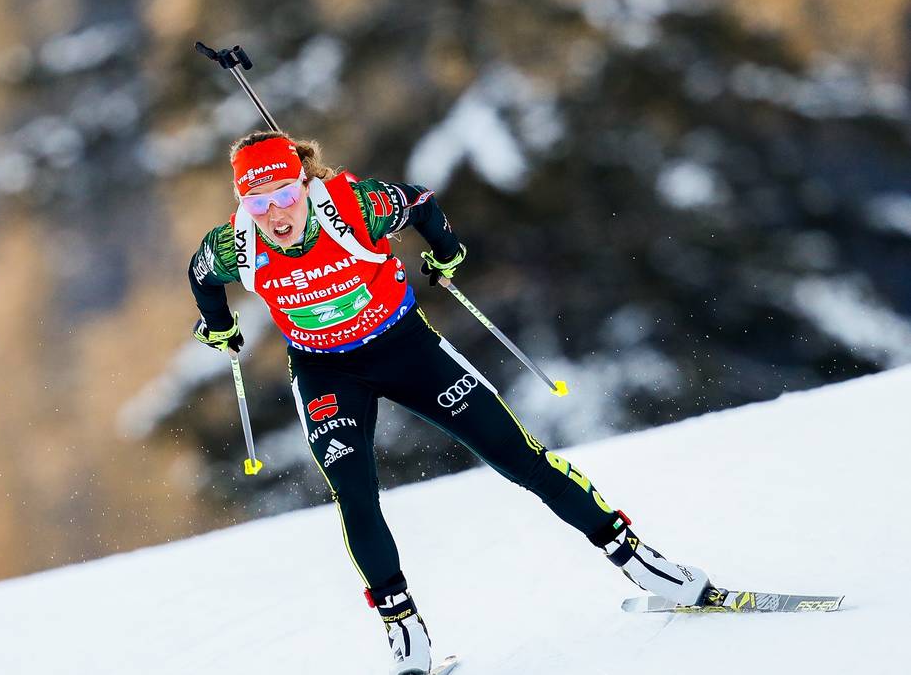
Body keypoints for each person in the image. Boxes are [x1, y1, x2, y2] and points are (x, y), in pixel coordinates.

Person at [187, 131, 711, 675]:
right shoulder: (235, 244)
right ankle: (403, 627)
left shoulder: (354, 206)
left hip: (406, 348)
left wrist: (446, 251)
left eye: (285, 194)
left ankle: (639, 560)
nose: (275, 213)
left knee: (519, 458)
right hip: (326, 372)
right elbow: (200, 276)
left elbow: (418, 200)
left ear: (304, 181)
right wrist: (218, 326)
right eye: (257, 201)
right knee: (355, 495)